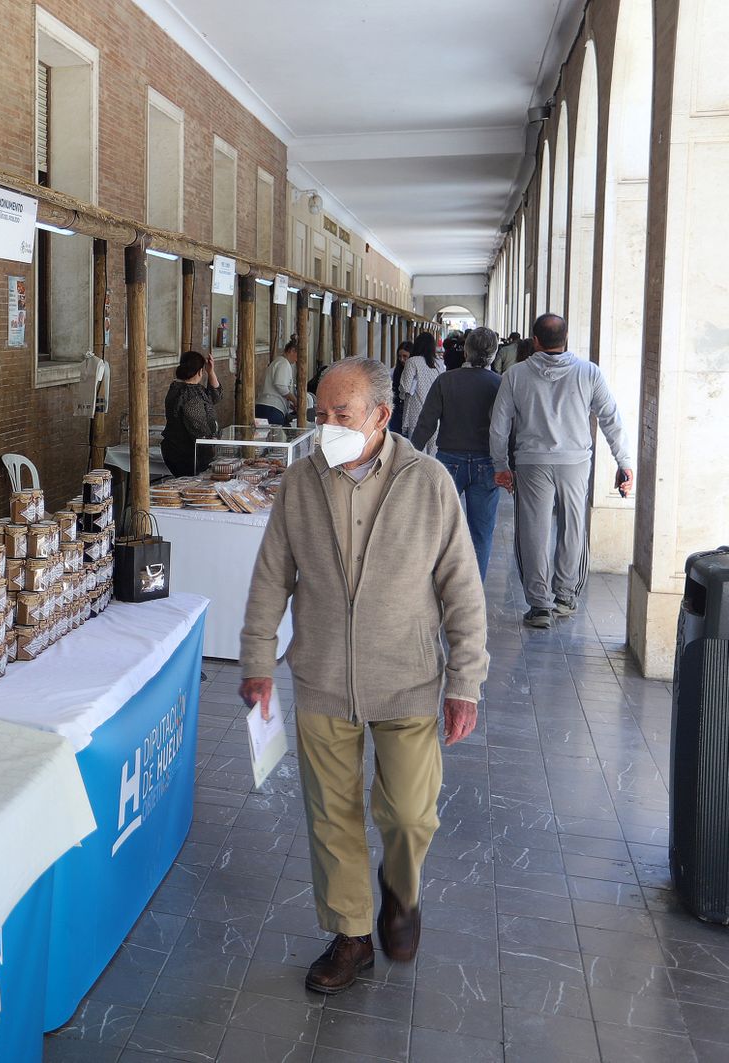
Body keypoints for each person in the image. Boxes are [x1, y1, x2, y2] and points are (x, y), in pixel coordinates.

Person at [239, 357, 488, 993]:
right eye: (319, 415)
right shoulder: (300, 484)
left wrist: (465, 681)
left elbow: (462, 587)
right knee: (332, 815)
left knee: (408, 814)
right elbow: (272, 577)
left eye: (340, 416)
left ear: (380, 416)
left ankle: (401, 891)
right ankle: (350, 935)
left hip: (406, 677)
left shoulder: (429, 483)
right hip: (322, 675)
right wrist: (259, 662)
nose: (326, 427)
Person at [490, 313, 634, 628]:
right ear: (566, 337)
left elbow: (499, 425)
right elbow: (611, 418)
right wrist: (623, 462)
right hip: (575, 463)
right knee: (573, 526)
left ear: (535, 340)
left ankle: (539, 605)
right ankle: (565, 597)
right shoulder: (589, 373)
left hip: (531, 462)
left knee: (533, 530)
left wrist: (500, 465)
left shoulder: (516, 375)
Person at [412, 327, 503, 578]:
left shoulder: (446, 380)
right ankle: (474, 591)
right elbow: (507, 428)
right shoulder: (500, 384)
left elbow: (426, 423)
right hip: (486, 462)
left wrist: (408, 456)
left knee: (441, 528)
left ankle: (439, 585)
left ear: (466, 350)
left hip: (449, 461)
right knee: (481, 533)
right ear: (493, 354)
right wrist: (508, 465)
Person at [161, 350, 222, 476]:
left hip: (176, 450)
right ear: (200, 371)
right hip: (188, 454)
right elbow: (198, 427)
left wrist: (211, 372)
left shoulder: (183, 387)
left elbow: (216, 396)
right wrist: (212, 441)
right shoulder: (189, 395)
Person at [400, 333, 442, 451]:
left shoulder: (412, 361)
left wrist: (401, 393)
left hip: (416, 413)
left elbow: (406, 387)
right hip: (436, 413)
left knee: (417, 453)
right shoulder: (438, 363)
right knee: (433, 454)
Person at [254, 339, 299, 425]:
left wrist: (289, 403)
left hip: (265, 406)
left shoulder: (278, 362)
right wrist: (294, 400)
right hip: (272, 409)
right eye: (298, 355)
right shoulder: (283, 363)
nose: (297, 360)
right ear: (292, 350)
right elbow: (280, 386)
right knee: (275, 437)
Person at [390, 341, 414, 434]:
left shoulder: (416, 373)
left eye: (405, 356)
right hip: (396, 411)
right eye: (399, 356)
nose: (401, 359)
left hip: (409, 411)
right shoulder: (394, 372)